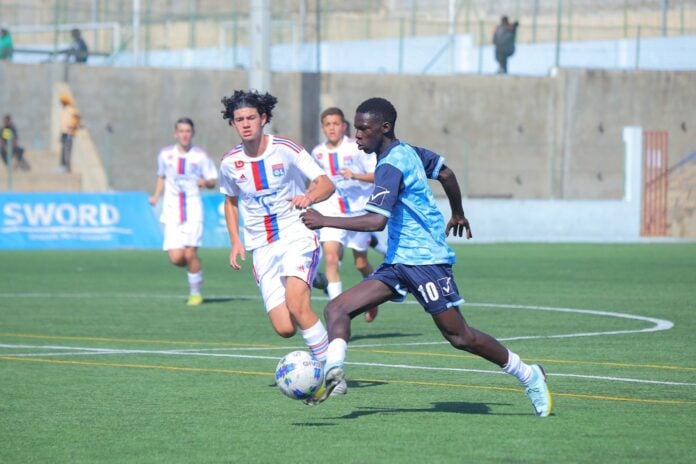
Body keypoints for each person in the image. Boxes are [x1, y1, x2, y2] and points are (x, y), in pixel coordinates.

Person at [300, 97, 553, 417]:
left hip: (426, 262)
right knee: (337, 308)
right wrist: (457, 213)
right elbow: (446, 174)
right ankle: (333, 373)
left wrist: (324, 221)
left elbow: (376, 221)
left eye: (363, 129)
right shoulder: (409, 151)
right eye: (357, 128)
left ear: (384, 128)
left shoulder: (390, 166)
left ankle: (529, 375)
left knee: (460, 337)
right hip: (397, 263)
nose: (357, 135)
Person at [218, 90, 345, 395]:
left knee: (298, 304)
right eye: (239, 120)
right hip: (262, 246)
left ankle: (332, 375)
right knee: (285, 328)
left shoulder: (285, 148)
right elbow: (230, 202)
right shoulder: (229, 163)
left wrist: (309, 197)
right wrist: (236, 241)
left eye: (251, 118)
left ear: (263, 119)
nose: (245, 124)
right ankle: (311, 278)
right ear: (233, 123)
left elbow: (326, 183)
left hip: (295, 234)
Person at [311, 107, 380, 322]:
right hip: (331, 212)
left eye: (335, 123)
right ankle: (338, 315)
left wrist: (355, 175)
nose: (332, 128)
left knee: (360, 263)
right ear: (323, 128)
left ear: (344, 126)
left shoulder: (357, 148)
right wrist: (307, 194)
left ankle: (373, 298)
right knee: (331, 258)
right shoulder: (317, 153)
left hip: (359, 212)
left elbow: (378, 174)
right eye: (327, 124)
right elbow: (316, 181)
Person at [149, 117, 218, 306]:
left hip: (193, 209)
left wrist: (205, 182)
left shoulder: (201, 156)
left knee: (189, 254)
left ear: (192, 133)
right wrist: (156, 195)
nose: (184, 134)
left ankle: (195, 293)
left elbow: (213, 180)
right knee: (176, 258)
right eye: (181, 131)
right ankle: (194, 268)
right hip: (171, 210)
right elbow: (161, 175)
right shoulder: (165, 154)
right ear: (175, 133)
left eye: (188, 131)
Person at [57, 93, 80, 173]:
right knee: (63, 150)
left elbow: (77, 118)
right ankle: (62, 166)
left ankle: (67, 167)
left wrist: (73, 126)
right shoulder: (65, 109)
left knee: (67, 150)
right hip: (63, 132)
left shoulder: (71, 109)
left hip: (69, 133)